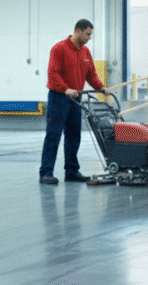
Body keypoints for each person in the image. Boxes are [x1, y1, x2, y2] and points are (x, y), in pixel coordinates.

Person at [39, 19, 110, 185]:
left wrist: (102, 88)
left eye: (90, 34)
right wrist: (65, 89)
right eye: (87, 34)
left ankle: (71, 171)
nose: (89, 38)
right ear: (78, 31)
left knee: (73, 136)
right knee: (53, 135)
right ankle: (46, 172)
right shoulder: (59, 48)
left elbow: (91, 75)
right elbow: (53, 73)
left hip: (76, 99)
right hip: (59, 98)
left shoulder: (85, 52)